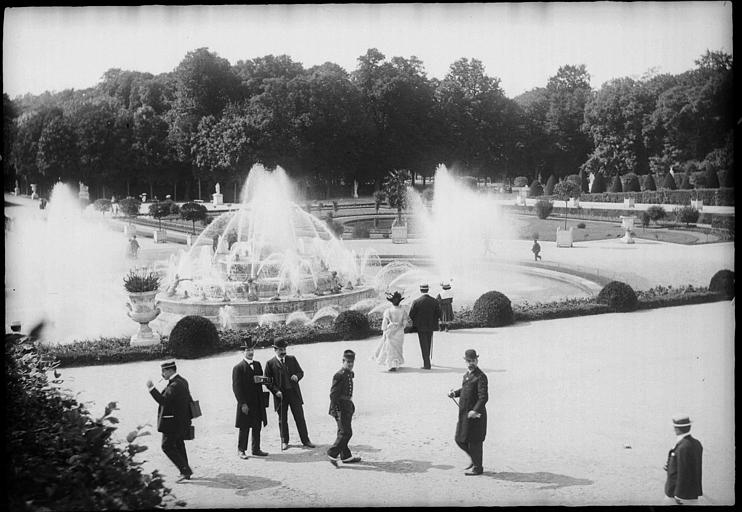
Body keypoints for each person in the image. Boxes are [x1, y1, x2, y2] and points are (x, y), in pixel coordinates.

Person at [146, 360, 194, 482]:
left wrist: (151, 388)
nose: (162, 374)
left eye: (163, 371)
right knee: (178, 444)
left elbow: (163, 401)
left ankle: (185, 470)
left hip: (172, 422)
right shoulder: (182, 381)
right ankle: (185, 470)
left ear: (170, 370)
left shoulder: (174, 385)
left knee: (166, 446)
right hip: (181, 421)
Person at [264, 339, 315, 450]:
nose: (283, 352)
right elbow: (267, 381)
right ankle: (284, 441)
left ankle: (306, 440)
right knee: (282, 419)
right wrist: (276, 391)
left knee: (300, 417)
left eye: (284, 349)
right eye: (280, 350)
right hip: (280, 396)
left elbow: (301, 372)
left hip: (293, 393)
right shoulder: (270, 363)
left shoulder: (292, 359)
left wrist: (297, 376)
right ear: (275, 350)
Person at [448, 349, 489, 476]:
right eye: (468, 361)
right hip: (464, 413)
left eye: (473, 361)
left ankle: (478, 468)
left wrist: (475, 410)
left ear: (477, 360)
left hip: (476, 415)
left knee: (475, 442)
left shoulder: (481, 377)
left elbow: (483, 397)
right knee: (459, 438)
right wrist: (455, 393)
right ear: (465, 361)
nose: (470, 363)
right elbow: (466, 389)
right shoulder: (467, 374)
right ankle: (475, 459)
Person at [232, 338, 269, 459]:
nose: (251, 352)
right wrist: (242, 403)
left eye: (252, 349)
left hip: (257, 401)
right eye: (248, 350)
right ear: (243, 352)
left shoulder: (257, 364)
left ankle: (256, 449)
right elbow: (236, 387)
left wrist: (265, 380)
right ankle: (241, 450)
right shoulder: (238, 368)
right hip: (246, 403)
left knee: (257, 425)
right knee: (244, 426)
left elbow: (261, 380)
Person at [327, 349, 361, 466]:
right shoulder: (339, 375)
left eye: (352, 362)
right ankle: (332, 452)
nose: (350, 364)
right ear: (343, 361)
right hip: (340, 407)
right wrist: (336, 410)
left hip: (347, 406)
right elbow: (333, 395)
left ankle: (346, 456)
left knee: (342, 431)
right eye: (348, 362)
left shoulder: (349, 373)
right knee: (346, 432)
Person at [664, 414, 703, 505]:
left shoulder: (683, 446)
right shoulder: (696, 443)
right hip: (691, 492)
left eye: (675, 427)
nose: (674, 430)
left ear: (678, 429)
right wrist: (670, 466)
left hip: (678, 494)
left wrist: (679, 495)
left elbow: (684, 471)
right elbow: (691, 466)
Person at [408, 282, 441, 370]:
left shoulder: (416, 301)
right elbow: (439, 314)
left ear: (420, 290)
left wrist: (417, 320)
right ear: (428, 290)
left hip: (420, 326)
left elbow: (411, 314)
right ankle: (428, 361)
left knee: (423, 344)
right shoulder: (434, 301)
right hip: (431, 325)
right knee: (428, 342)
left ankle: (427, 364)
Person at [372, 291, 406, 371]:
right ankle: (396, 363)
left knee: (391, 348)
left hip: (391, 330)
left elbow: (385, 321)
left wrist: (384, 330)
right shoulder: (403, 310)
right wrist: (402, 327)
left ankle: (392, 365)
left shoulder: (388, 310)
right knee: (398, 348)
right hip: (399, 331)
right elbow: (404, 322)